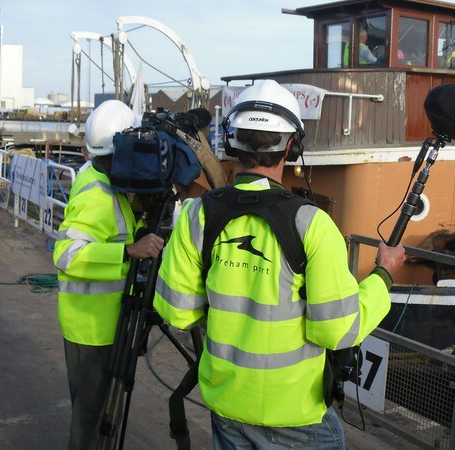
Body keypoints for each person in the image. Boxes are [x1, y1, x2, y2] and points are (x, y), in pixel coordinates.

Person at [153, 79, 406, 449]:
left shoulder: (196, 215)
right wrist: (382, 277)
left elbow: (175, 312)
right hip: (296, 420)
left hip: (227, 408)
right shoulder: (313, 224)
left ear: (232, 140)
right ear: (292, 145)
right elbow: (337, 330)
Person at [53, 99, 165, 449]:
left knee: (96, 415)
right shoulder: (97, 194)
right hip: (93, 329)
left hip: (98, 323)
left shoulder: (102, 177)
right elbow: (66, 254)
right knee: (90, 421)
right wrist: (129, 251)